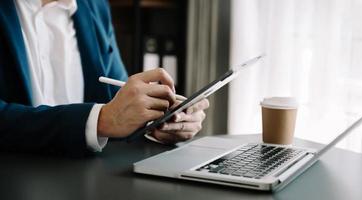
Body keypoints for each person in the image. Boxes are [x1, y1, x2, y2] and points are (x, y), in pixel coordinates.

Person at [0, 0, 209, 156]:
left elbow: (115, 98)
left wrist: (158, 119)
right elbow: (108, 116)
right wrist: (101, 121)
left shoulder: (93, 6)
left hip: (88, 177)